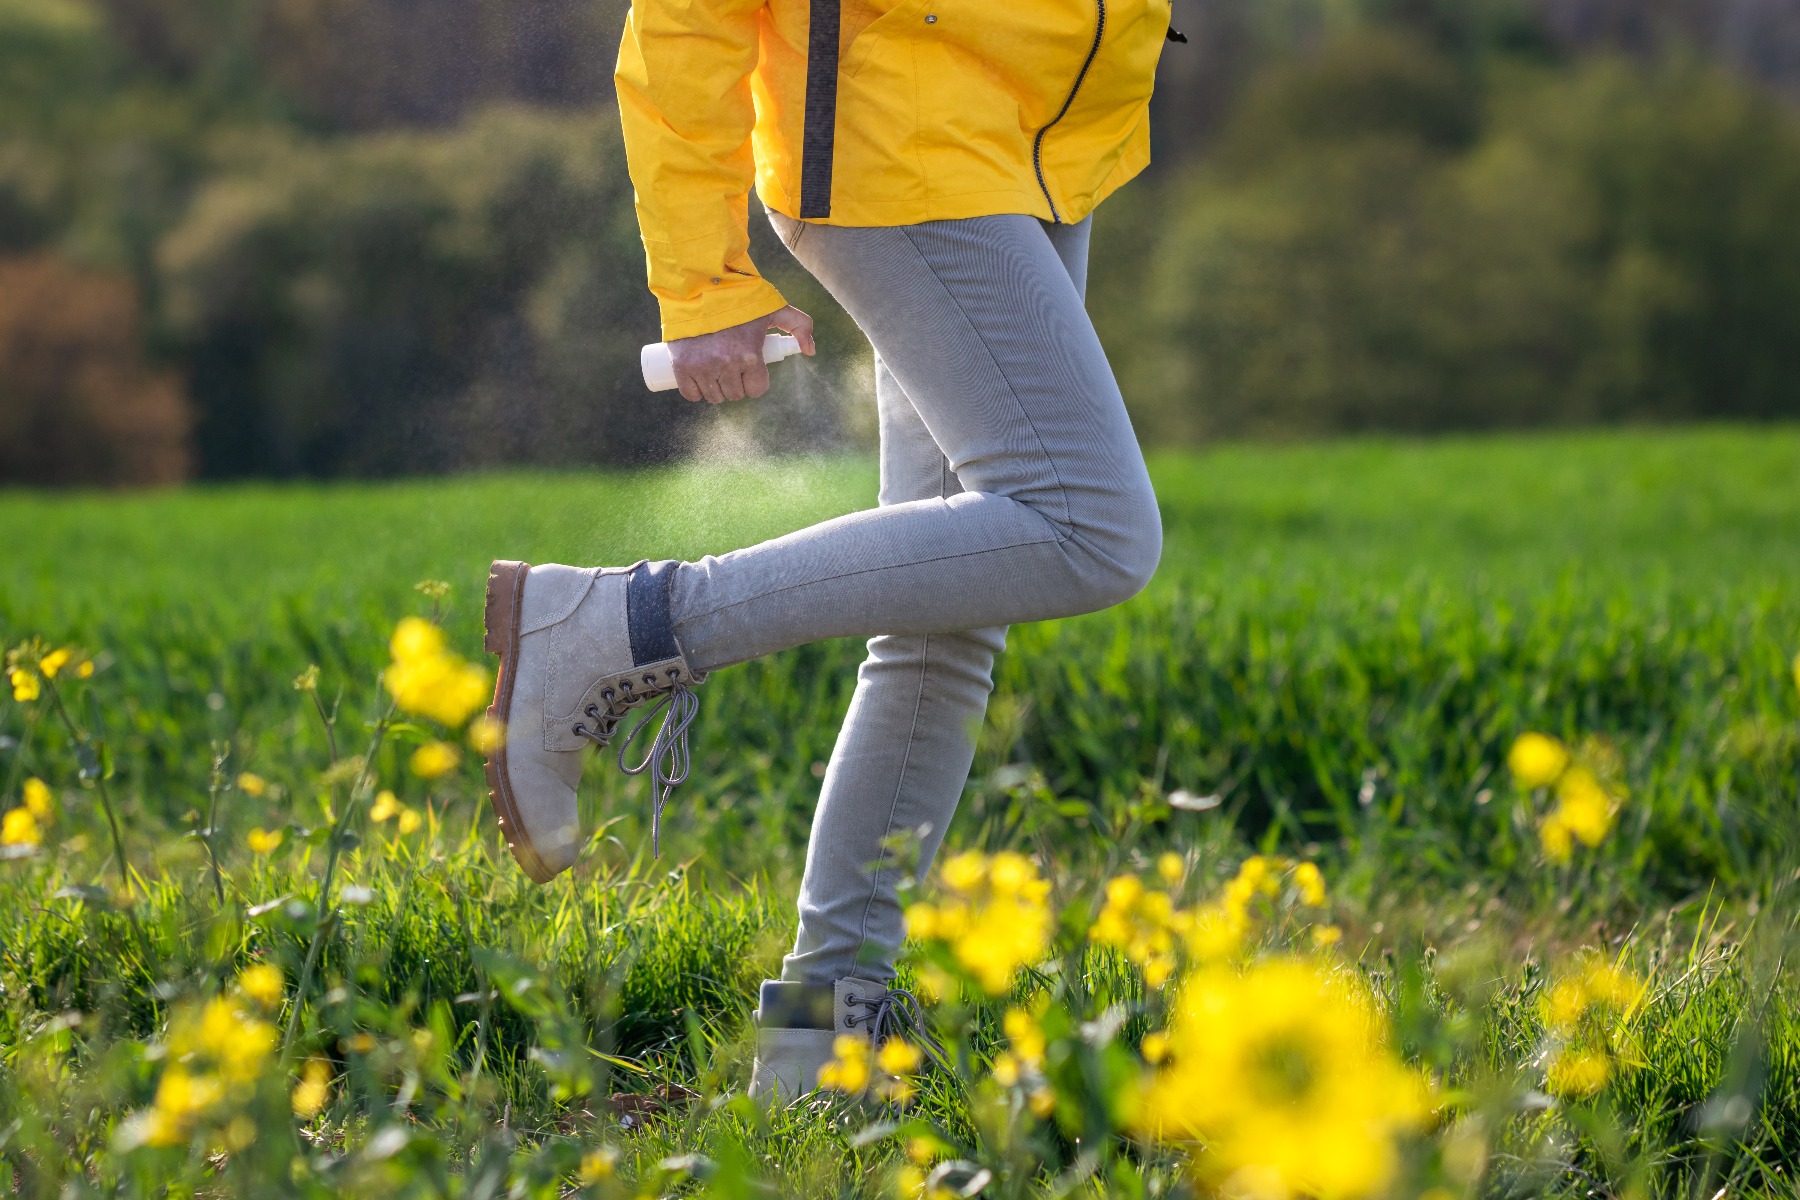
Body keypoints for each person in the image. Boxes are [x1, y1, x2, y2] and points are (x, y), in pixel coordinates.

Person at [481, 0, 1173, 1103]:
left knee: (945, 628)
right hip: (900, 148)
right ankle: (621, 624)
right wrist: (701, 284)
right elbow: (685, 18)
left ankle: (817, 1044)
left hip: (1028, 134)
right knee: (1090, 530)